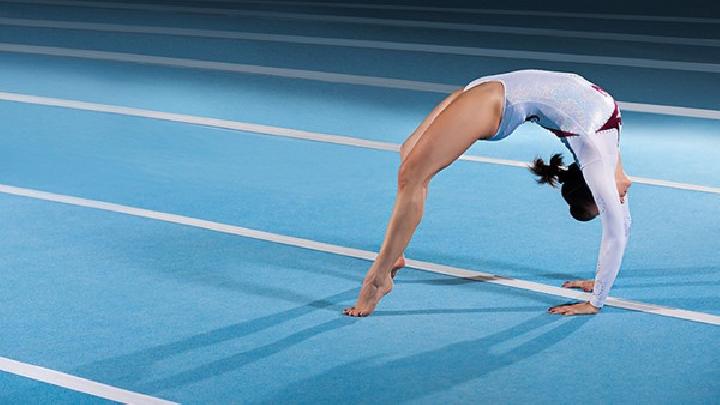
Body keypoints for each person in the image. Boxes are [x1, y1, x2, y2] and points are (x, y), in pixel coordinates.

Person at [343, 69, 632, 317]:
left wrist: (601, 280)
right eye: (605, 205)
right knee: (409, 160)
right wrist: (596, 302)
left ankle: (384, 269)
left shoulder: (608, 147)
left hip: (494, 91)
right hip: (496, 100)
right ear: (594, 189)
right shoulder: (596, 159)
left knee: (412, 171)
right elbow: (617, 232)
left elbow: (620, 221)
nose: (617, 202)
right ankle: (388, 267)